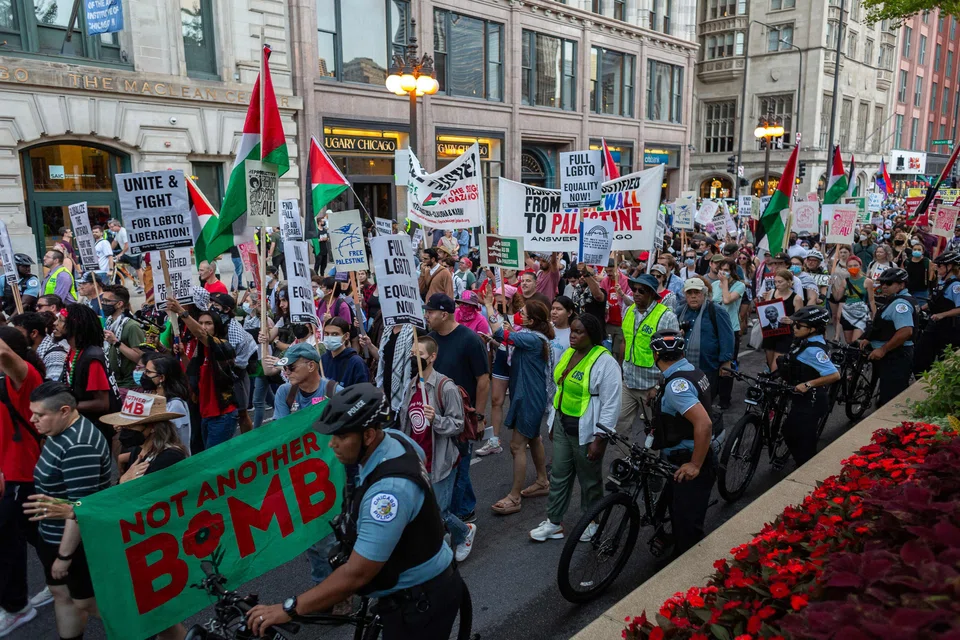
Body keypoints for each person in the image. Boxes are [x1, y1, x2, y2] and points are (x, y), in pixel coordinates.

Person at [245, 384, 468, 640]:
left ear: (369, 435)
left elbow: (357, 573)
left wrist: (289, 609)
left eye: (341, 436)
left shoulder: (387, 496)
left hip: (422, 598)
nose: (332, 445)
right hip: (418, 577)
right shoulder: (396, 438)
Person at [28, 381, 111, 640]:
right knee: (62, 594)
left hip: (74, 544)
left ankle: (145, 629)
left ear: (65, 411)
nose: (32, 419)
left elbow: (80, 508)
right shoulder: (57, 432)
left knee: (86, 602)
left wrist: (64, 556)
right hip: (51, 535)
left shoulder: (78, 446)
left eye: (40, 415)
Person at [529, 314, 621, 542]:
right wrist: (552, 422)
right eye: (572, 331)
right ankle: (554, 523)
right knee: (559, 475)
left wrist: (600, 438)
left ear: (592, 336)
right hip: (562, 425)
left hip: (587, 431)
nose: (573, 336)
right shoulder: (569, 353)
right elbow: (560, 390)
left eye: (579, 332)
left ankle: (593, 521)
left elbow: (611, 403)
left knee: (589, 480)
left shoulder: (605, 362)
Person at [398, 335, 476, 561]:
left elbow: (457, 424)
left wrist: (437, 420)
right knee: (423, 508)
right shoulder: (411, 386)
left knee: (441, 511)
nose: (414, 359)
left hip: (441, 460)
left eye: (419, 355)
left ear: (432, 357)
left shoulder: (445, 386)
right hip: (419, 460)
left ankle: (465, 532)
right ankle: (436, 546)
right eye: (412, 354)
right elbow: (407, 423)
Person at [648, 330, 716, 554]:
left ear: (655, 354)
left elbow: (704, 424)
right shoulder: (690, 370)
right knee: (674, 508)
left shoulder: (676, 386)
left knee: (688, 531)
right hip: (683, 454)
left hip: (689, 459)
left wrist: (695, 464)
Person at [425, 293, 488, 524]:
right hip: (436, 416)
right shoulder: (429, 340)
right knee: (447, 465)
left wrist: (480, 417)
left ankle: (461, 515)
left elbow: (483, 379)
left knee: (459, 465)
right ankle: (465, 505)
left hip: (461, 419)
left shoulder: (470, 339)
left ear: (444, 314)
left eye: (430, 312)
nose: (427, 315)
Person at [0, 328, 47, 636]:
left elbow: (5, 355)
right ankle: (65, 579)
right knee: (36, 534)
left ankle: (18, 607)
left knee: (10, 542)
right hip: (8, 474)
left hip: (23, 474)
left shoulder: (26, 378)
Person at [490, 300, 554, 516]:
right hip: (528, 396)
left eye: (522, 313)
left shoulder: (531, 337)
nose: (518, 314)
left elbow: (501, 334)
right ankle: (543, 481)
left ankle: (515, 497)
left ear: (531, 320)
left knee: (517, 446)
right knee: (533, 438)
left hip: (529, 398)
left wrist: (489, 306)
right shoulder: (533, 337)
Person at [168, 298, 240, 448]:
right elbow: (192, 372)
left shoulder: (222, 346)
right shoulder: (199, 350)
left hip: (222, 414)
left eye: (208, 323)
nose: (203, 327)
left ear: (217, 326)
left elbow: (201, 334)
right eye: (200, 323)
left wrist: (181, 311)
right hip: (205, 414)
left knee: (215, 462)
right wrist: (182, 355)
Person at [774, 306, 840, 466]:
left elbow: (834, 374)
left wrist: (808, 384)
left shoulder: (814, 350)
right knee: (790, 432)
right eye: (794, 324)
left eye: (798, 326)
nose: (794, 328)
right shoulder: (806, 340)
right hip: (801, 399)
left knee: (802, 442)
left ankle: (806, 471)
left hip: (812, 401)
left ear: (812, 329)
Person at [616, 273, 679, 435]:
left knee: (654, 432)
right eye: (634, 289)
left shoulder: (666, 317)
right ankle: (626, 459)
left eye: (641, 290)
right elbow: (624, 341)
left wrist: (658, 387)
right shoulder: (629, 311)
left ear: (651, 293)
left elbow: (673, 358)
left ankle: (651, 459)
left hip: (651, 387)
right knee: (619, 427)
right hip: (628, 383)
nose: (636, 293)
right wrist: (621, 371)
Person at [55, 304, 120, 444]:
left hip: (96, 433)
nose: (55, 323)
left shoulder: (92, 357)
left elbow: (102, 403)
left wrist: (63, 407)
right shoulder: (75, 351)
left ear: (74, 325)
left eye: (60, 320)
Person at [863, 267, 916, 406]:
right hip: (891, 354)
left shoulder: (900, 304)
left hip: (896, 356)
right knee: (886, 394)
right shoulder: (895, 298)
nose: (884, 286)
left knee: (891, 401)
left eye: (889, 283)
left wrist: (883, 349)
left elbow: (906, 331)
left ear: (901, 285)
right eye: (882, 283)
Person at [675, 278, 734, 398]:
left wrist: (726, 362)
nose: (693, 297)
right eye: (689, 293)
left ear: (704, 293)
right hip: (683, 367)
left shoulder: (716, 311)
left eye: (697, 293)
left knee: (705, 401)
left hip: (708, 366)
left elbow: (727, 337)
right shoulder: (680, 312)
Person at [208, 293, 258, 434]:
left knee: (241, 412)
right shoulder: (216, 322)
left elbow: (236, 361)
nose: (211, 306)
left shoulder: (234, 331)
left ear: (226, 309)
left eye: (216, 305)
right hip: (220, 371)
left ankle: (248, 441)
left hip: (237, 373)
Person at [915, 250, 960, 374]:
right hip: (934, 326)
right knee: (920, 358)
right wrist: (920, 308)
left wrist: (942, 315)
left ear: (949, 267)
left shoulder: (956, 286)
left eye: (940, 265)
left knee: (945, 362)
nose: (937, 268)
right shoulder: (942, 282)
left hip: (949, 329)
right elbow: (935, 301)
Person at [711, 260, 745, 409]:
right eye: (721, 269)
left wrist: (724, 283)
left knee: (727, 364)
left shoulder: (739, 285)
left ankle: (725, 399)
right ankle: (713, 392)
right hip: (714, 329)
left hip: (731, 329)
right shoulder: (713, 286)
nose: (724, 272)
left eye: (727, 270)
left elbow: (727, 300)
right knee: (713, 362)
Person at [100, 284, 145, 390]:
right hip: (114, 383)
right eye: (102, 300)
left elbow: (140, 358)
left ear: (119, 304)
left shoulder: (132, 326)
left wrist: (116, 342)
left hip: (129, 385)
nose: (103, 304)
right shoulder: (109, 323)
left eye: (107, 301)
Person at [761, 269, 801, 372]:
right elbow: (764, 311)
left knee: (776, 367)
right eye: (775, 282)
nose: (777, 284)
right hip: (770, 333)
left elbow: (800, 320)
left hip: (785, 334)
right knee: (770, 366)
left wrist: (791, 320)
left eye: (780, 282)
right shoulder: (770, 293)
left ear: (789, 282)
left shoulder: (796, 298)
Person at [11, 311, 68, 382]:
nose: (15, 337)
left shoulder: (55, 355)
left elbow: (55, 388)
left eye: (18, 333)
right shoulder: (30, 352)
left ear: (34, 333)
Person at [835, 256, 875, 344]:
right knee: (848, 342)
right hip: (847, 314)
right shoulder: (845, 281)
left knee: (855, 342)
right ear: (847, 268)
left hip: (861, 314)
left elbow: (871, 300)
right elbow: (837, 298)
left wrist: (874, 317)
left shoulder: (867, 281)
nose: (853, 268)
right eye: (850, 266)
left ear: (860, 266)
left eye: (855, 265)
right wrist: (833, 285)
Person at [321, 317, 369, 387]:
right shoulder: (322, 359)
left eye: (335, 334)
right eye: (326, 334)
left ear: (346, 336)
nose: (329, 338)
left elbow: (363, 391)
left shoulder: (356, 363)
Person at [600, 261, 632, 363]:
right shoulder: (605, 281)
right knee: (607, 350)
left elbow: (631, 303)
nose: (609, 273)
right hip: (608, 322)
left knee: (618, 352)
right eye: (607, 271)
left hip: (621, 323)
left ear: (617, 268)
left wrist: (621, 294)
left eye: (611, 270)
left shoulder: (627, 281)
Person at [108, 218, 143, 291]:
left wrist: (121, 254)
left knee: (138, 269)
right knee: (115, 261)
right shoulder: (117, 233)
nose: (111, 229)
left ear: (117, 225)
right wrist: (109, 251)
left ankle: (142, 286)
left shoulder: (123, 232)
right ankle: (118, 280)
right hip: (127, 254)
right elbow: (114, 242)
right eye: (110, 227)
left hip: (133, 254)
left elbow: (127, 245)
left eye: (112, 227)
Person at [548, 295, 576, 365]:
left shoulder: (572, 335)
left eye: (559, 309)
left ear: (569, 313)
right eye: (553, 308)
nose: (554, 312)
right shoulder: (546, 328)